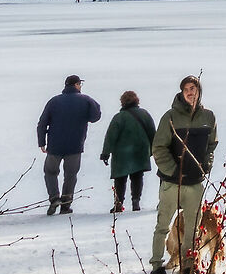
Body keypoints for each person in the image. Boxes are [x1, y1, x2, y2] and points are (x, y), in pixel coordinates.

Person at [150, 76, 217, 274]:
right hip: (171, 183)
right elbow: (158, 148)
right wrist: (172, 171)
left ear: (199, 91)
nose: (191, 92)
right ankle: (156, 268)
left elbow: (211, 146)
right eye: (187, 89)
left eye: (194, 88)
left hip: (195, 183)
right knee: (163, 225)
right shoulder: (169, 117)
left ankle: (189, 266)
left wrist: (205, 167)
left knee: (193, 227)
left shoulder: (208, 117)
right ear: (181, 92)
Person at [38, 75, 104, 215]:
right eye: (80, 84)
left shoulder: (54, 101)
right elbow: (95, 117)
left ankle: (54, 198)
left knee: (50, 172)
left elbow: (42, 123)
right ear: (76, 85)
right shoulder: (85, 100)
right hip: (75, 145)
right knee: (71, 175)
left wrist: (41, 142)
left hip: (55, 145)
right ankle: (66, 204)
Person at [101, 91, 155, 213]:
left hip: (122, 154)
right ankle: (136, 202)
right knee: (137, 177)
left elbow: (111, 136)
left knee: (120, 179)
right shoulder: (145, 114)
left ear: (122, 102)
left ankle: (118, 203)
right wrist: (154, 150)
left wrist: (105, 153)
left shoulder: (119, 117)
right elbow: (152, 133)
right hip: (140, 152)